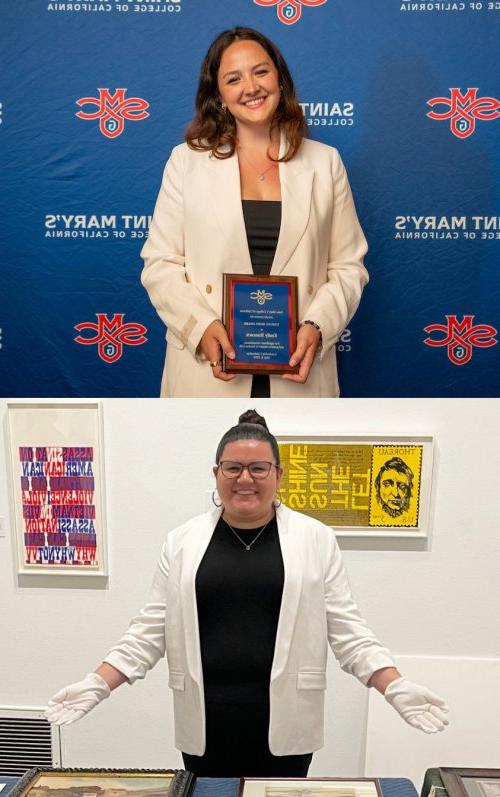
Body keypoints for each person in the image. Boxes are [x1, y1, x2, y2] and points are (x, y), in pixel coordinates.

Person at [45, 410, 449, 778]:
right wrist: (97, 683)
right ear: (216, 472)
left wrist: (393, 685)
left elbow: (348, 632)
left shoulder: (315, 539)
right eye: (233, 467)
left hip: (286, 723)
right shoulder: (183, 541)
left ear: (278, 473)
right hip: (206, 721)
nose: (245, 478)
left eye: (258, 468)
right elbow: (150, 631)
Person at [140, 27, 369, 398]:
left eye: (260, 71)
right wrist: (200, 328)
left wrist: (318, 325)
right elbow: (160, 263)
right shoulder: (186, 162)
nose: (251, 87)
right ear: (218, 95)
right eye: (234, 78)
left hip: (299, 374)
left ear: (279, 78)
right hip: (209, 375)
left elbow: (347, 266)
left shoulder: (326, 163)